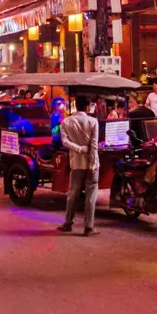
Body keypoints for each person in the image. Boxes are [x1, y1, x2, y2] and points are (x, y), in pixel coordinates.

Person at [57, 95, 100, 236]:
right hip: (91, 162)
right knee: (91, 195)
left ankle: (68, 223)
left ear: (75, 105)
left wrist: (79, 149)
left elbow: (65, 142)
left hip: (76, 162)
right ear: (87, 106)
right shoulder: (93, 121)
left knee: (73, 194)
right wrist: (92, 162)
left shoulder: (66, 121)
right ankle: (88, 227)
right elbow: (94, 145)